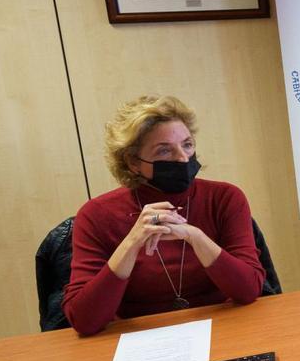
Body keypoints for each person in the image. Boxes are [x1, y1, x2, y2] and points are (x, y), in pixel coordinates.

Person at [63, 96, 264, 335]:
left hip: (221, 328)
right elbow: (85, 320)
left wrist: (195, 236)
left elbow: (249, 290)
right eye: (165, 150)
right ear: (133, 162)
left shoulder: (225, 198)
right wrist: (132, 242)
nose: (182, 158)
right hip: (137, 340)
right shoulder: (96, 215)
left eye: (187, 144)